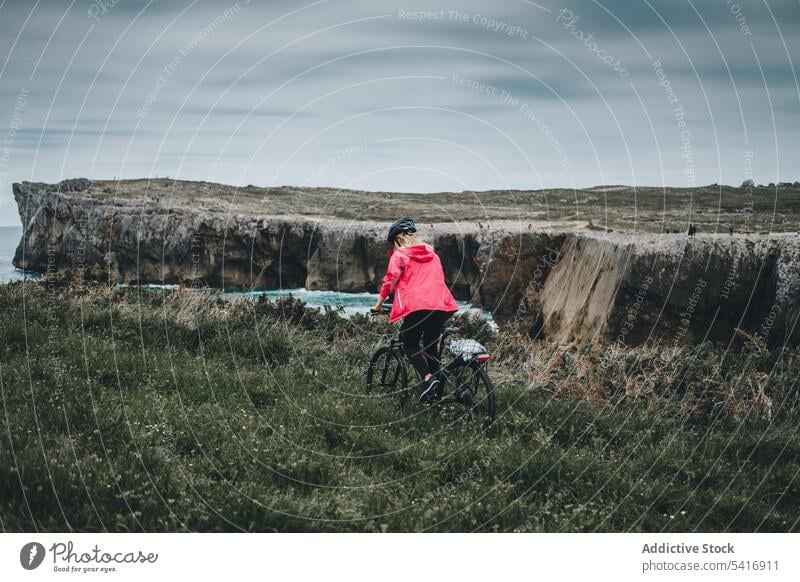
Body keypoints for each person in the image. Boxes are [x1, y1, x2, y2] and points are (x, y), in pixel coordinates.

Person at [372, 218, 459, 403]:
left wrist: (378, 305)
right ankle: (435, 396)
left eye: (393, 243)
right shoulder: (432, 254)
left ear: (397, 239)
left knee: (409, 344)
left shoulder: (400, 255)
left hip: (419, 306)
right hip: (441, 305)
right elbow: (437, 279)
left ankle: (428, 380)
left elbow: (390, 280)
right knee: (429, 348)